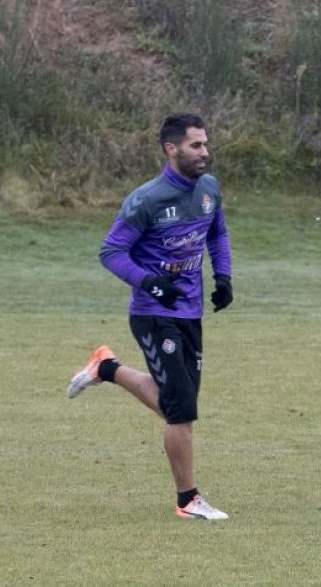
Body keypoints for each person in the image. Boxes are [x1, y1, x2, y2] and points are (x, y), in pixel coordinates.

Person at [67, 113, 234, 521]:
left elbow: (217, 233)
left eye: (206, 144)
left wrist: (224, 276)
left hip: (191, 313)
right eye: (196, 145)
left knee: (178, 405)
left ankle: (107, 368)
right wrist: (152, 283)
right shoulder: (147, 200)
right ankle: (187, 499)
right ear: (171, 149)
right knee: (180, 410)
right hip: (154, 314)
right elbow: (111, 252)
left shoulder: (209, 189)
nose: (205, 153)